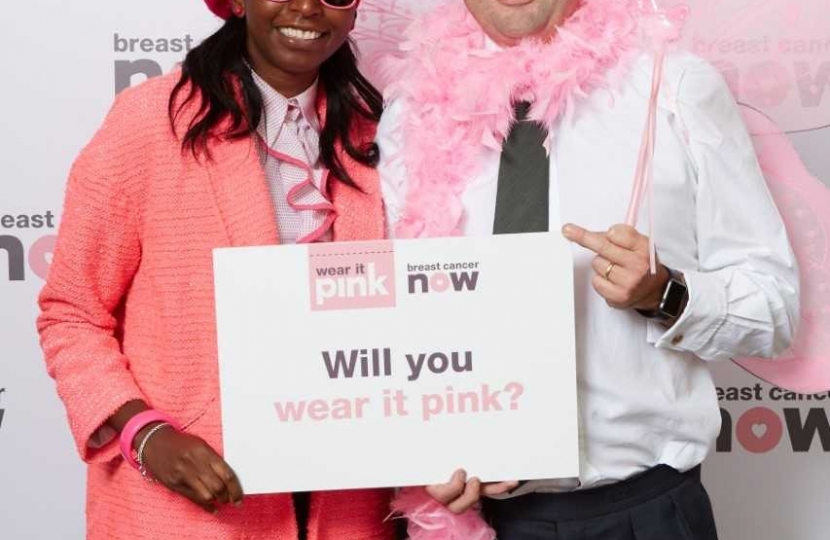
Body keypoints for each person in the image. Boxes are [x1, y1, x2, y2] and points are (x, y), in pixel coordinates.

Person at [377, 0, 800, 538]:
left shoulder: (674, 87)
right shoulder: (411, 111)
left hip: (641, 512)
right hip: (477, 520)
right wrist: (425, 453)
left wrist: (665, 294)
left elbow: (776, 306)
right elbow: (395, 322)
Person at [36, 1, 394, 539]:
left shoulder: (383, 134)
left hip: (349, 508)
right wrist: (145, 433)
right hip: (188, 513)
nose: (307, 7)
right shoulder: (150, 121)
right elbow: (72, 313)